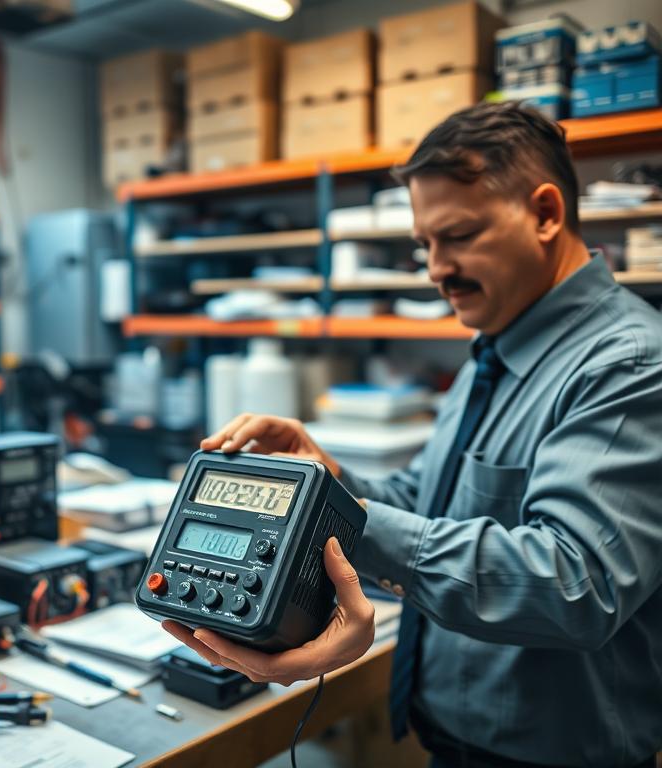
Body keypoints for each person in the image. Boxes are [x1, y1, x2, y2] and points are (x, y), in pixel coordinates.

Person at [164, 101, 662, 768]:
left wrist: (339, 523)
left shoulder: (628, 365)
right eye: (424, 245)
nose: (434, 269)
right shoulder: (497, 347)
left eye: (456, 236)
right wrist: (327, 487)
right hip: (454, 735)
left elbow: (575, 581)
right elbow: (433, 499)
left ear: (546, 214)